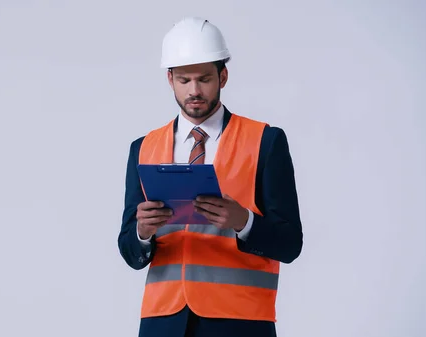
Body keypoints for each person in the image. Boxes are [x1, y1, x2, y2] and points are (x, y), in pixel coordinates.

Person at [117, 17, 303, 337]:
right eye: (184, 80)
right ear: (170, 79)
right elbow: (130, 250)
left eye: (204, 79)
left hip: (240, 322)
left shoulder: (265, 141)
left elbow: (290, 244)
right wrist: (142, 232)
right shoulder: (143, 148)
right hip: (163, 322)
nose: (194, 91)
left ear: (223, 76)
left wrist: (243, 220)